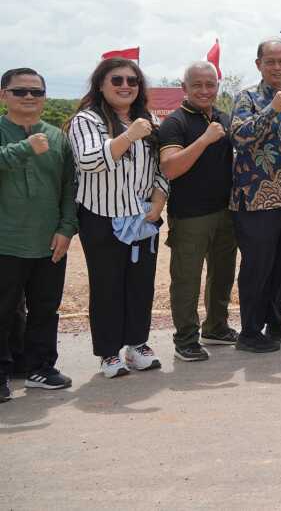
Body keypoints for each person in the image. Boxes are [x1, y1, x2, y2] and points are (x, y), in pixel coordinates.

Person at [67, 57, 168, 378]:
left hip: (143, 218)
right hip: (101, 216)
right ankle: (109, 352)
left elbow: (162, 168)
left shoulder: (148, 119)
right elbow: (89, 160)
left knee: (140, 284)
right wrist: (129, 135)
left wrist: (159, 200)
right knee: (107, 285)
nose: (126, 86)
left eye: (132, 81)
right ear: (100, 85)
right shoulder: (87, 120)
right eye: (117, 80)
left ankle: (137, 344)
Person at [0, 68, 77, 400]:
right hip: (6, 239)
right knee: (2, 310)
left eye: (37, 92)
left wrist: (66, 229)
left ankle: (40, 368)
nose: (29, 97)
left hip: (49, 242)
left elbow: (69, 188)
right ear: (4, 95)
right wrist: (25, 148)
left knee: (46, 308)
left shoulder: (57, 137)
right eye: (20, 91)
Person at [159, 62, 238, 362]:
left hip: (225, 212)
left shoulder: (223, 117)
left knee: (222, 275)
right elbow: (170, 168)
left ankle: (216, 327)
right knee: (187, 280)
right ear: (185, 88)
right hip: (190, 215)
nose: (205, 91)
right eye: (198, 85)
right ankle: (186, 339)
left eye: (210, 85)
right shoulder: (175, 123)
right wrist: (204, 139)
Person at [230, 38, 281, 353]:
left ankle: (274, 322)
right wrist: (271, 110)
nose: (277, 67)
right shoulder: (247, 97)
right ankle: (249, 331)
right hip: (256, 198)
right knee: (257, 265)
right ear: (258, 64)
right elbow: (239, 136)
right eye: (270, 61)